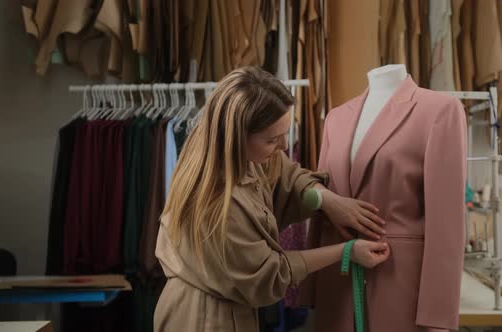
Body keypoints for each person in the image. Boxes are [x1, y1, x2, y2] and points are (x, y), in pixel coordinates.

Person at [154, 66, 390, 331]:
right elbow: (269, 274)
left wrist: (327, 201)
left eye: (284, 134)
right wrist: (345, 251)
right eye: (273, 140)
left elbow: (286, 176)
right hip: (204, 320)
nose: (284, 147)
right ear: (238, 137)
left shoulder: (234, 153)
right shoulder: (216, 203)